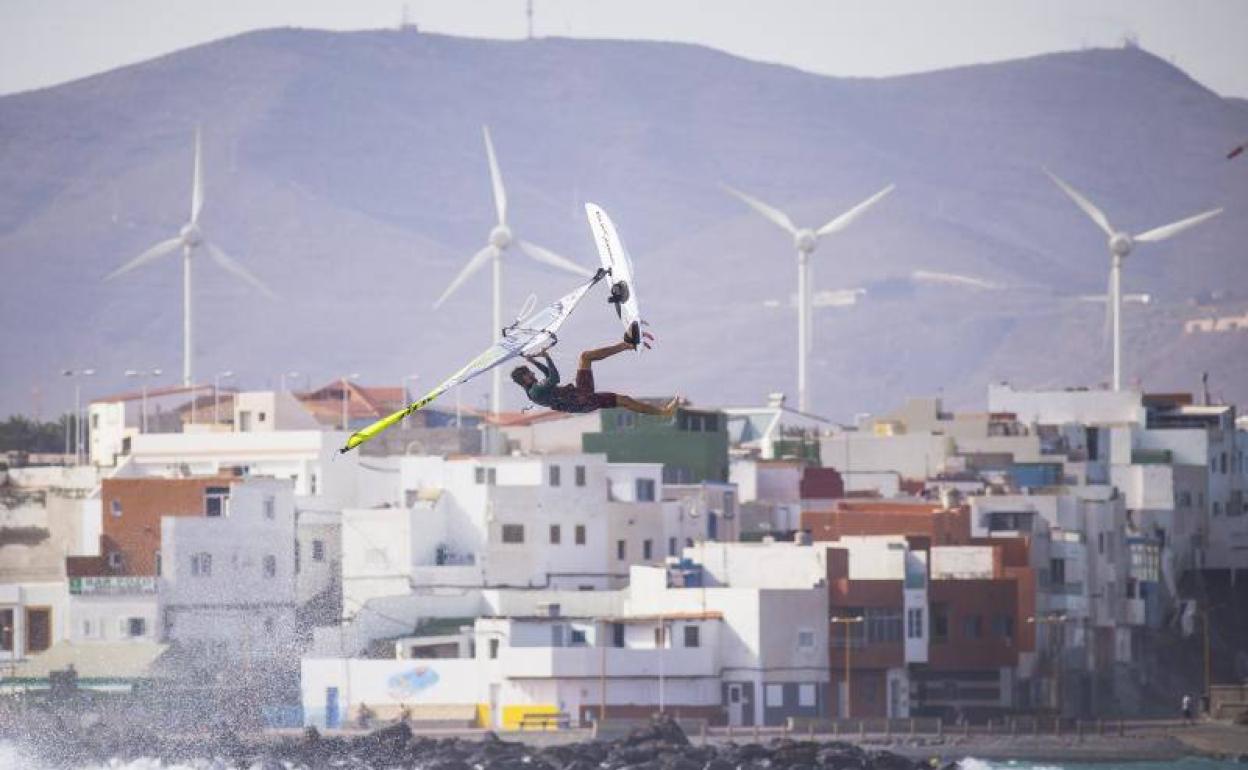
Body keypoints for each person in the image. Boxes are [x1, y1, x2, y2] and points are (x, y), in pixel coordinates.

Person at [511, 337, 677, 416]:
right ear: (524, 379)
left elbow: (548, 374)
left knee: (625, 400)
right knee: (585, 357)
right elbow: (554, 379)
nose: (532, 374)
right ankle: (626, 345)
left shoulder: (535, 390)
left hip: (580, 396)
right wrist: (546, 357)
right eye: (529, 373)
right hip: (581, 400)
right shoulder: (535, 392)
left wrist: (534, 361)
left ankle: (664, 412)